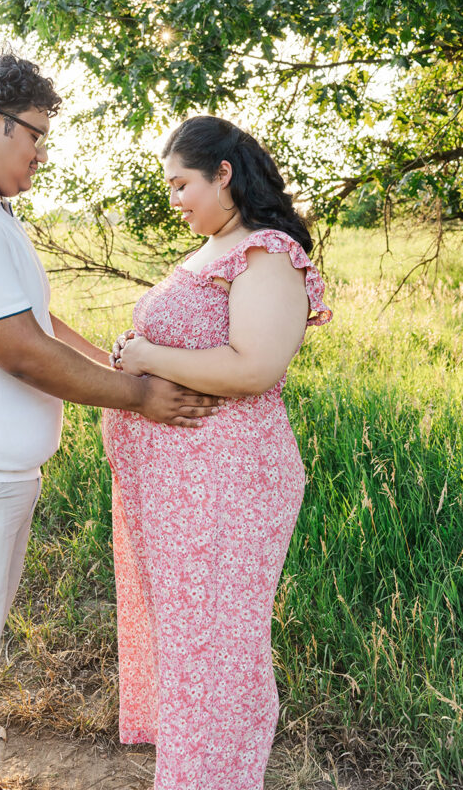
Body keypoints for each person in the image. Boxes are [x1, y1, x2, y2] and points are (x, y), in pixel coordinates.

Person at [0, 53, 221, 790]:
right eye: (35, 135)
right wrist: (140, 399)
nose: (42, 154)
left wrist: (123, 371)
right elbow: (22, 353)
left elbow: (35, 320)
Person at [103, 115, 333, 790]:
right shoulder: (212, 251)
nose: (173, 199)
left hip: (228, 486)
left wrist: (145, 355)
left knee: (217, 650)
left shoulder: (265, 252)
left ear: (223, 173)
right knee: (189, 645)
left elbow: (253, 367)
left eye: (181, 184)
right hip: (178, 492)